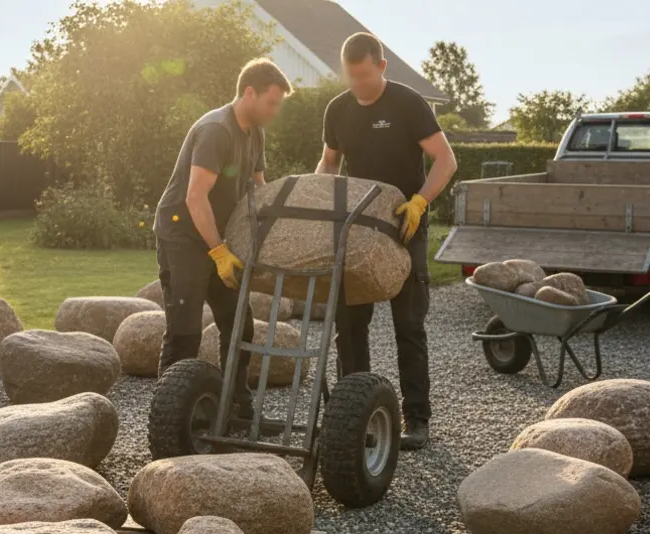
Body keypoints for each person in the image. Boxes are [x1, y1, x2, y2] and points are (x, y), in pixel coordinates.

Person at [316, 33, 457, 451]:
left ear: (381, 66)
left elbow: (446, 160)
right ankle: (351, 416)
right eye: (351, 76)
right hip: (356, 228)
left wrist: (419, 203)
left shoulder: (409, 103)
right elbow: (329, 162)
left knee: (408, 323)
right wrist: (319, 199)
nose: (358, 83)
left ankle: (417, 419)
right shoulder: (337, 109)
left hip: (404, 224)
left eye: (364, 74)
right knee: (350, 324)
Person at [153, 58, 292, 414]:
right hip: (183, 236)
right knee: (185, 332)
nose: (274, 111)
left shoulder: (255, 132)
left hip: (220, 240)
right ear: (249, 92)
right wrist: (218, 253)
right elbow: (195, 196)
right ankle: (173, 416)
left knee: (239, 325)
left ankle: (235, 402)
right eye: (271, 102)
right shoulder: (216, 130)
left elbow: (258, 190)